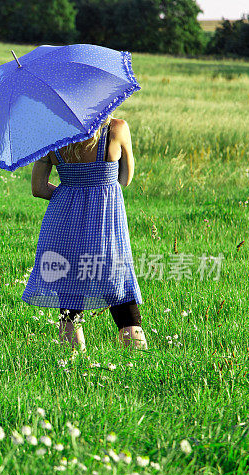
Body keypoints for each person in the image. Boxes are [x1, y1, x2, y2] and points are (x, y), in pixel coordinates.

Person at [21, 114, 148, 352]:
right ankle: (137, 360)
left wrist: (70, 194)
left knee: (69, 301)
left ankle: (72, 364)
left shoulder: (50, 135)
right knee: (120, 293)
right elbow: (125, 179)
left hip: (63, 224)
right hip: (106, 224)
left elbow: (38, 188)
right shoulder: (117, 128)